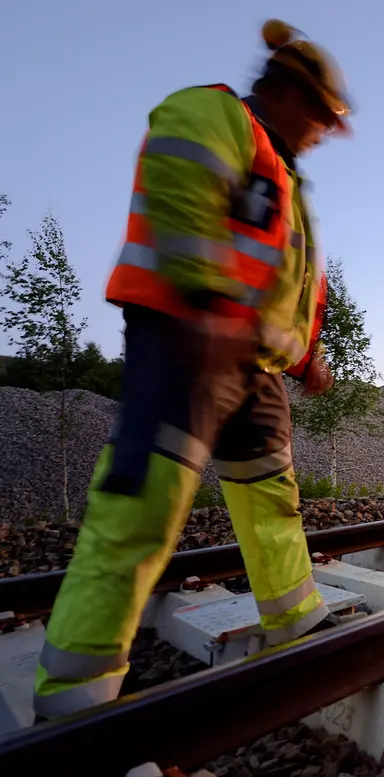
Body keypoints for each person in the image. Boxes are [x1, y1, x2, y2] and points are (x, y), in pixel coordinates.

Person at [34, 19, 352, 721]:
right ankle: (73, 706)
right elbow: (179, 193)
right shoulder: (216, 116)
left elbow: (286, 290)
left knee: (271, 499)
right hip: (187, 337)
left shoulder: (286, 182)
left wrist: (307, 359)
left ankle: (296, 625)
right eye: (325, 118)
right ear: (293, 94)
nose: (325, 133)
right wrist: (207, 304)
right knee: (143, 503)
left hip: (254, 365)